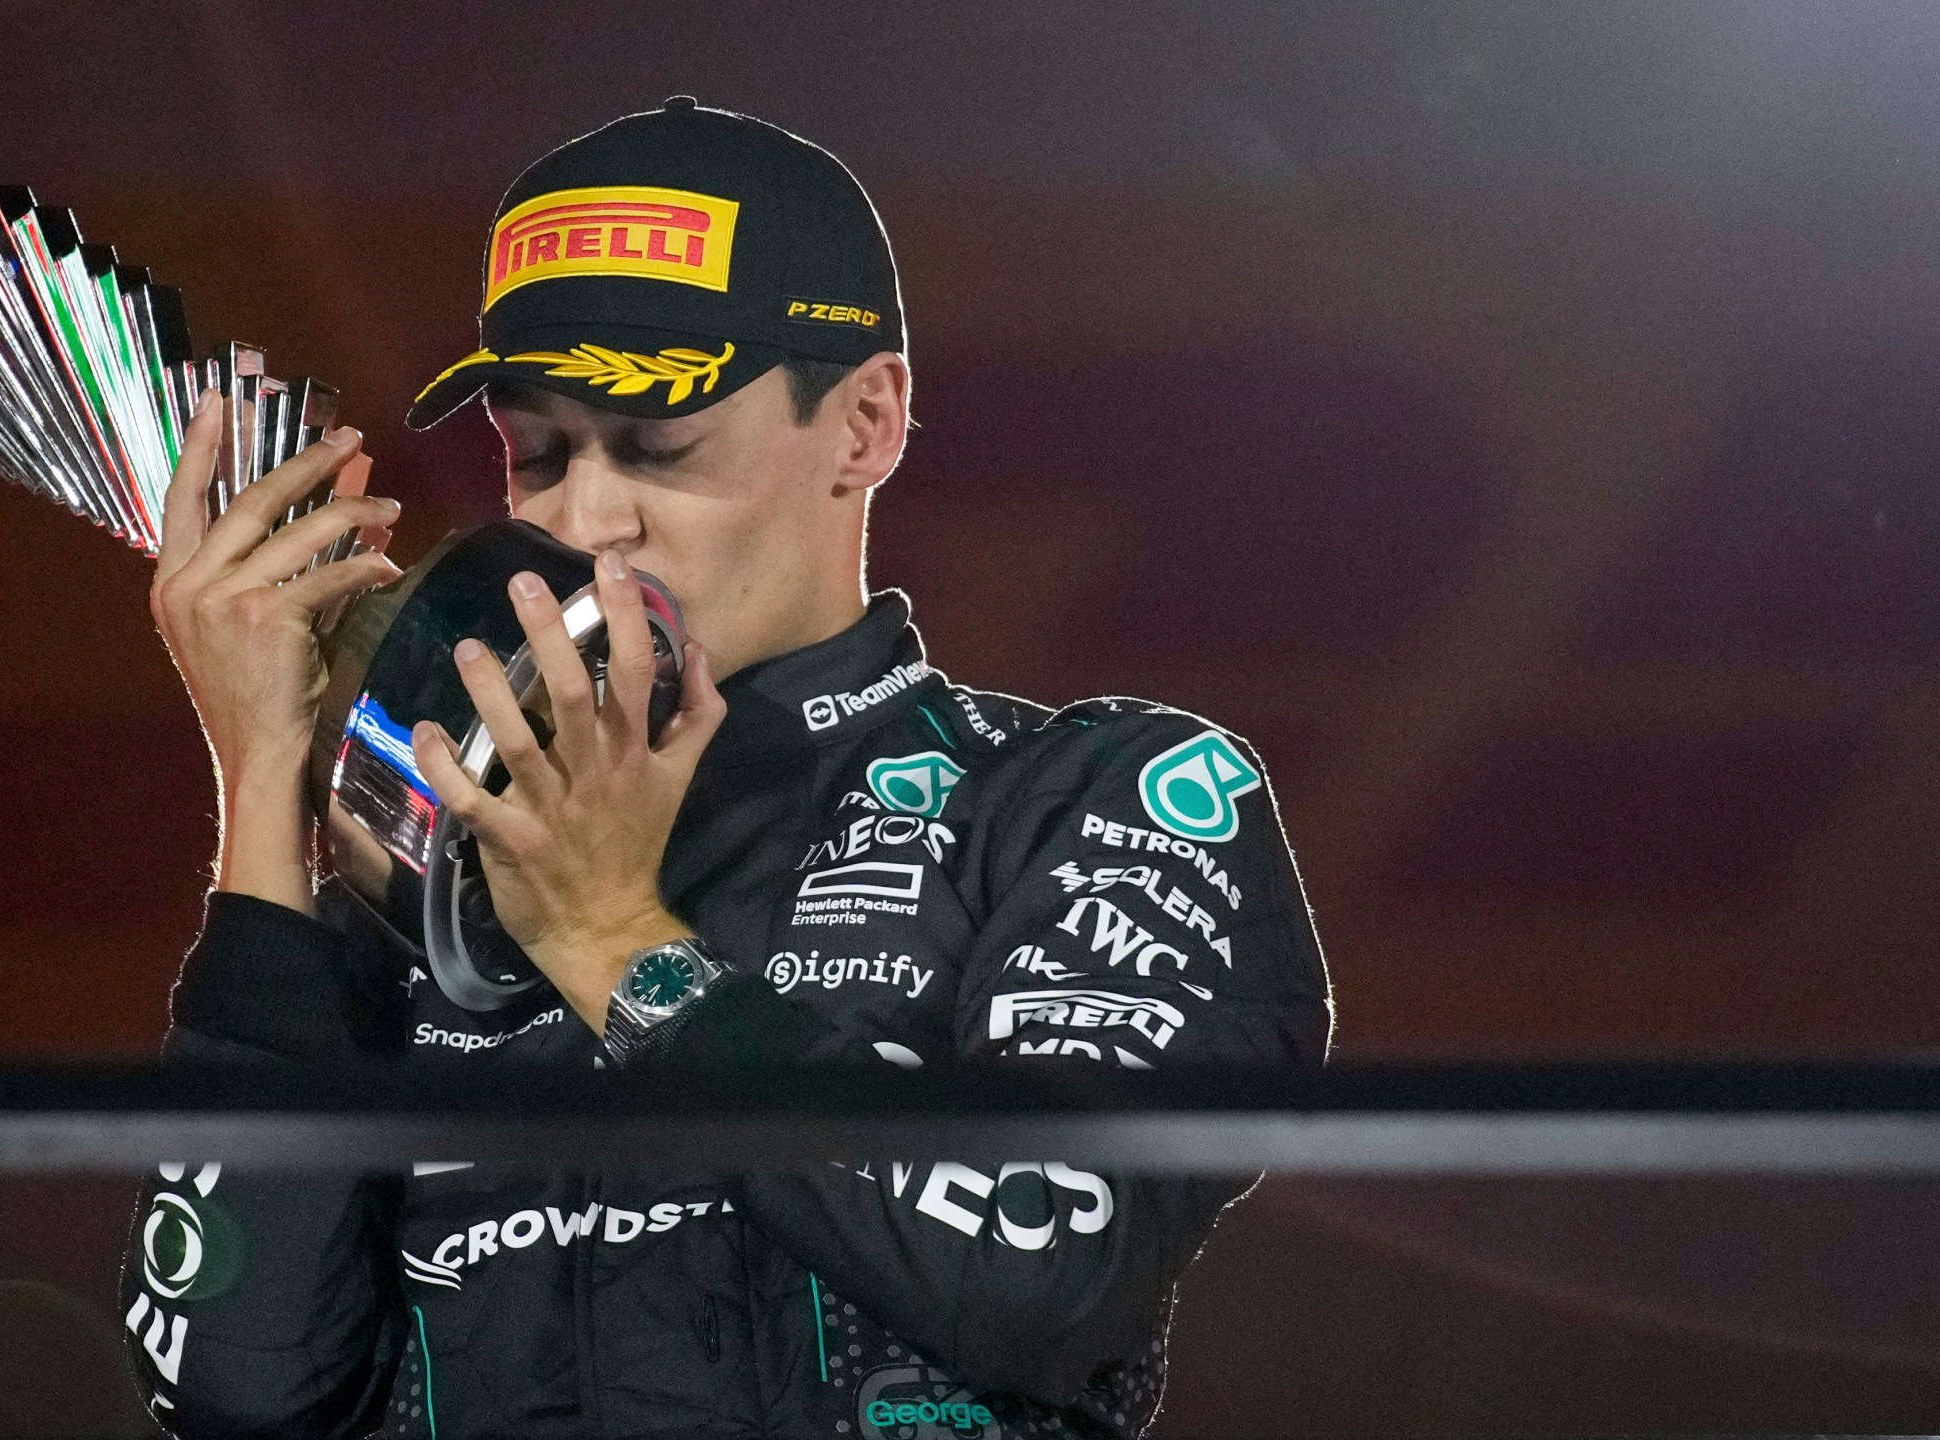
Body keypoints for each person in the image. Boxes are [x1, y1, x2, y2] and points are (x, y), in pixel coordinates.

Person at [125, 97, 1332, 1440]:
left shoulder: (1089, 799)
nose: (589, 516)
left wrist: (612, 943)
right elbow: (232, 1396)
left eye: (657, 445)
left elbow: (1050, 1270)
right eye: (538, 454)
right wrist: (268, 794)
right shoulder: (430, 887)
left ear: (866, 423)